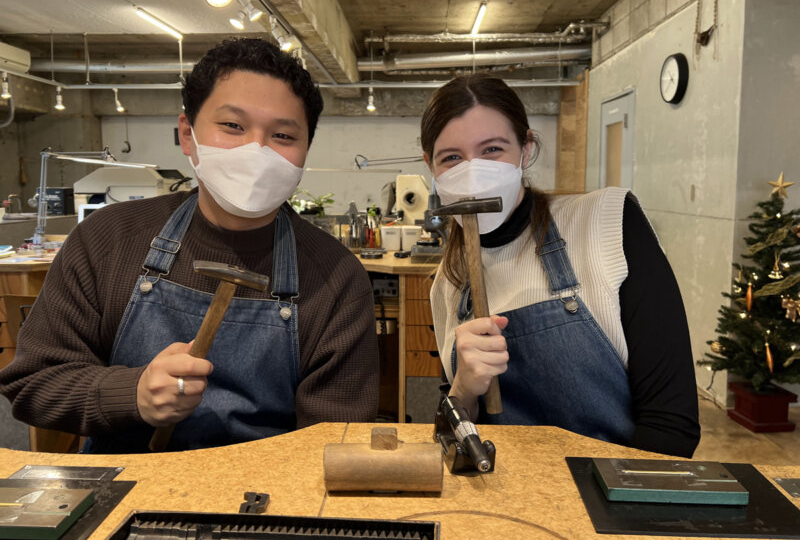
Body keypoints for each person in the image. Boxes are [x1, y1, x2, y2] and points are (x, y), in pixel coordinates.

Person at [0, 38, 378, 453]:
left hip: (265, 499)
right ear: (187, 134)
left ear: (304, 151)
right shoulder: (109, 238)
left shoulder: (334, 276)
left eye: (283, 134)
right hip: (122, 489)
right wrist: (133, 393)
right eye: (233, 126)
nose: (257, 150)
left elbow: (334, 442)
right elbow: (34, 383)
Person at [422, 73, 700, 458]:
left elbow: (673, 427)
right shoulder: (449, 284)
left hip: (612, 497)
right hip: (504, 500)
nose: (473, 172)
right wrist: (464, 390)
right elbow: (454, 442)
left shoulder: (606, 225)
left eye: (492, 150)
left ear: (525, 149)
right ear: (430, 166)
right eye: (451, 158)